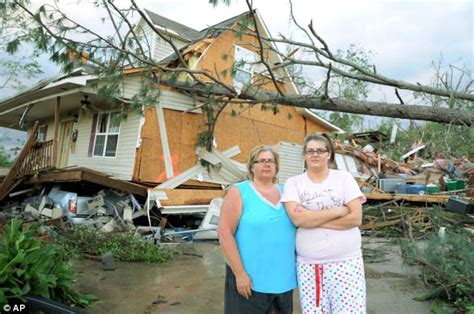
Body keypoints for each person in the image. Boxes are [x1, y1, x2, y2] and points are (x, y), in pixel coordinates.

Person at [281, 133, 367, 314]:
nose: (315, 154)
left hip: (347, 263)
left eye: (320, 150)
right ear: (304, 155)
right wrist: (338, 211)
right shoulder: (293, 183)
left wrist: (311, 219)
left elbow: (355, 219)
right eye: (310, 151)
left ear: (329, 154)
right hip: (309, 267)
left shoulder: (344, 178)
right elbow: (298, 219)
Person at [218, 145, 297, 314]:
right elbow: (225, 234)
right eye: (261, 161)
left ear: (276, 167)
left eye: (270, 161)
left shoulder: (288, 194)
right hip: (249, 281)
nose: (266, 164)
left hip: (283, 280)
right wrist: (240, 274)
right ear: (252, 167)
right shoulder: (239, 191)